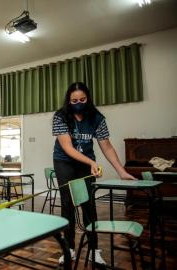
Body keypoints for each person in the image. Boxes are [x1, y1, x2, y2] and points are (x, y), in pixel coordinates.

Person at [52, 82, 135, 265]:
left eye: (82, 99)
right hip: (64, 161)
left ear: (88, 98)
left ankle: (93, 250)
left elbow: (106, 145)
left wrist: (122, 172)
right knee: (68, 204)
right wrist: (92, 162)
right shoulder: (60, 116)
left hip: (85, 164)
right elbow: (67, 147)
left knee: (89, 204)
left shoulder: (97, 118)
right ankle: (69, 249)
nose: (78, 103)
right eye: (74, 100)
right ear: (69, 100)